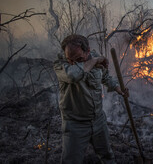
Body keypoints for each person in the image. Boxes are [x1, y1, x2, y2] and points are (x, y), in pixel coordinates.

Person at [54, 34, 128, 164]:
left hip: (98, 120)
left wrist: (117, 88)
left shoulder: (94, 58)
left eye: (78, 59)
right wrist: (94, 61)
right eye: (70, 59)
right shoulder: (61, 65)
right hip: (75, 124)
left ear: (87, 51)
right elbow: (73, 76)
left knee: (107, 156)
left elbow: (105, 77)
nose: (73, 63)